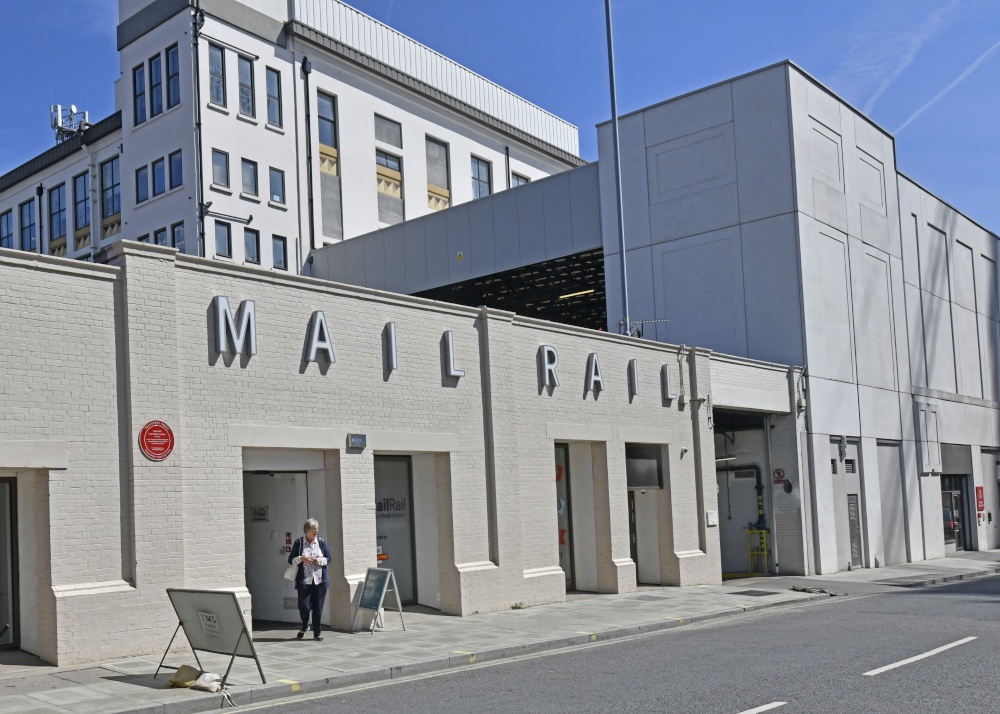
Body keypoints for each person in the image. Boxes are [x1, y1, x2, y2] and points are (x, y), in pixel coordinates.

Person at [288, 518, 332, 641]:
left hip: (320, 580)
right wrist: (301, 558)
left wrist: (317, 560)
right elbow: (290, 560)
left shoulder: (321, 543)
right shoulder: (299, 543)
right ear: (307, 530)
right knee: (304, 606)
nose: (316, 531)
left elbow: (329, 559)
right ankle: (305, 625)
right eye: (314, 529)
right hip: (304, 580)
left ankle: (317, 633)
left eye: (317, 528)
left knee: (318, 607)